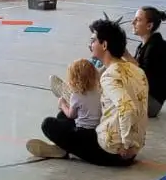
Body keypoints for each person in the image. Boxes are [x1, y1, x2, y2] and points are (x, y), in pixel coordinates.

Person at [26, 19, 147, 166]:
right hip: (130, 147)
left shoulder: (110, 77)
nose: (90, 45)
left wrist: (127, 146)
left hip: (115, 152)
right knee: (63, 116)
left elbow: (127, 109)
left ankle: (63, 149)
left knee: (49, 124)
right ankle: (64, 148)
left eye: (93, 41)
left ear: (104, 45)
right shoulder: (137, 70)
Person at [132, 6, 166, 118]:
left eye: (138, 20)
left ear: (149, 26)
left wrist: (124, 55)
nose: (133, 22)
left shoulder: (156, 47)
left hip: (151, 103)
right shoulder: (145, 46)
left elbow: (142, 75)